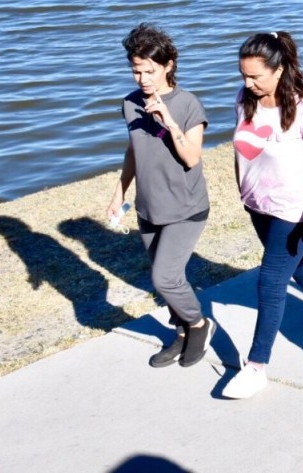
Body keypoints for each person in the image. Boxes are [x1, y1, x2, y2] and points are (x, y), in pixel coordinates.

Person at [222, 32, 303, 400]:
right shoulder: (244, 98)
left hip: (294, 210)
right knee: (297, 267)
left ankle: (256, 366)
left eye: (255, 76)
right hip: (257, 204)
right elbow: (242, 148)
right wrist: (243, 188)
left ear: (278, 70)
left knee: (270, 280)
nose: (248, 83)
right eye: (243, 75)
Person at [108, 23, 215, 369]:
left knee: (164, 278)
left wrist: (168, 120)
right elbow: (133, 151)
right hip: (148, 208)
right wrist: (119, 193)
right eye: (135, 71)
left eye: (149, 71)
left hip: (186, 208)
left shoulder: (187, 104)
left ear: (168, 65)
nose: (142, 79)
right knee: (168, 280)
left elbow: (192, 157)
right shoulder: (130, 103)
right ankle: (181, 333)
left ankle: (198, 325)